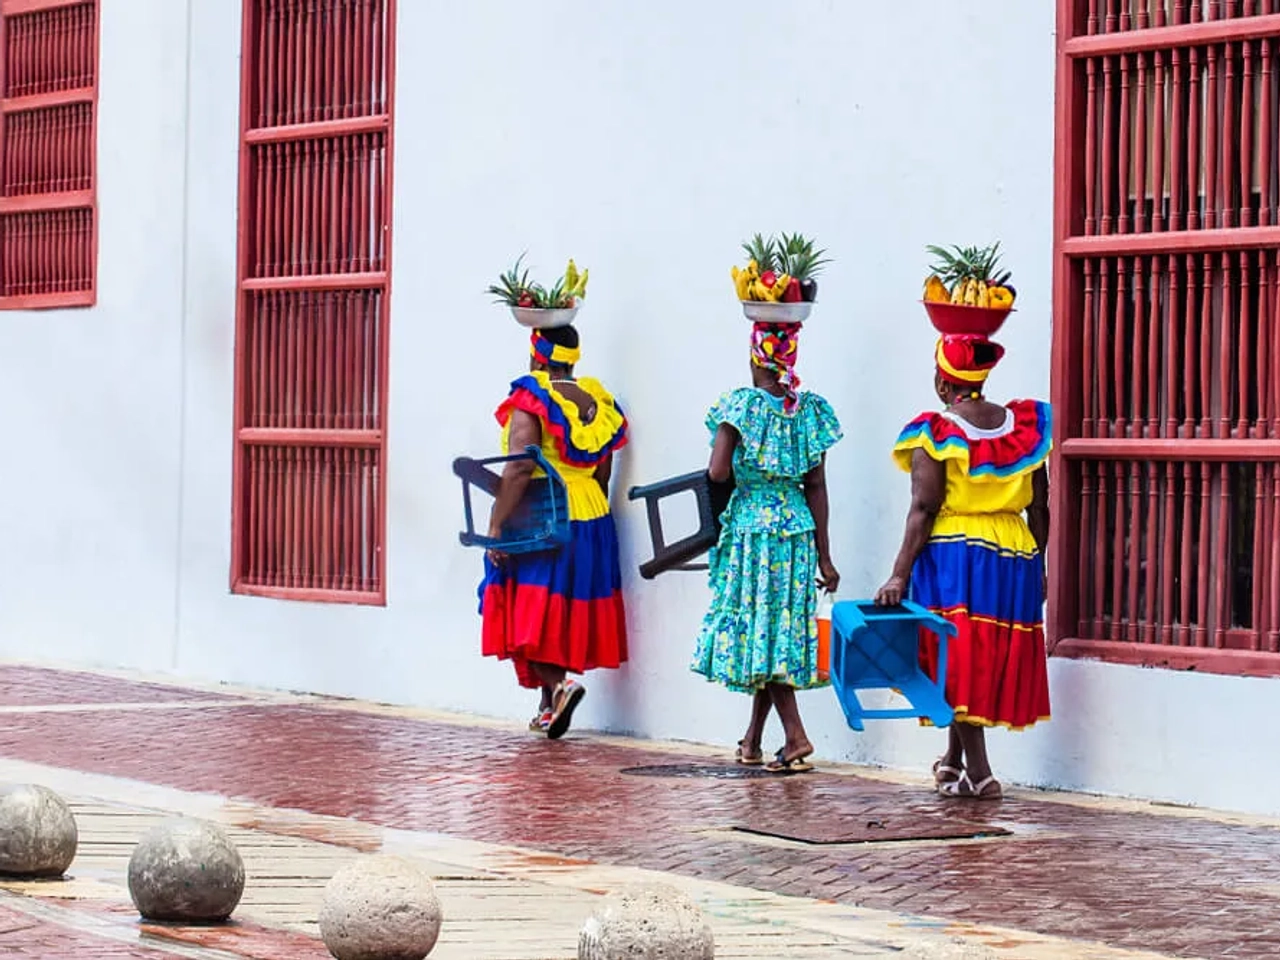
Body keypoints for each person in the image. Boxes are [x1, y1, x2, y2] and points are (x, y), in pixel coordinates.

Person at [875, 333, 1051, 800]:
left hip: (957, 551)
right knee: (982, 655)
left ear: (941, 380)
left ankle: (981, 771)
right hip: (1015, 550)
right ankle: (953, 761)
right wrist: (1040, 564)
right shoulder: (1025, 426)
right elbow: (1042, 504)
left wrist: (898, 573)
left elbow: (924, 506)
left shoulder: (934, 431)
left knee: (957, 660)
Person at [692, 321, 842, 773]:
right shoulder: (808, 411)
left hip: (754, 531)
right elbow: (816, 485)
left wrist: (747, 469)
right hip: (796, 529)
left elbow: (718, 472)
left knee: (762, 630)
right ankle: (754, 739)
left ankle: (795, 736)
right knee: (775, 631)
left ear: (756, 355)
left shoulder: (742, 407)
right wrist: (825, 555)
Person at [479, 325, 628, 739]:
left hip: (545, 513)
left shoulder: (532, 399)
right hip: (591, 512)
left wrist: (496, 524)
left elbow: (520, 466)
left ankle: (561, 687)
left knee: (524, 608)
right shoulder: (596, 399)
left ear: (536, 355)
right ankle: (547, 705)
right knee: (558, 607)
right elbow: (603, 466)